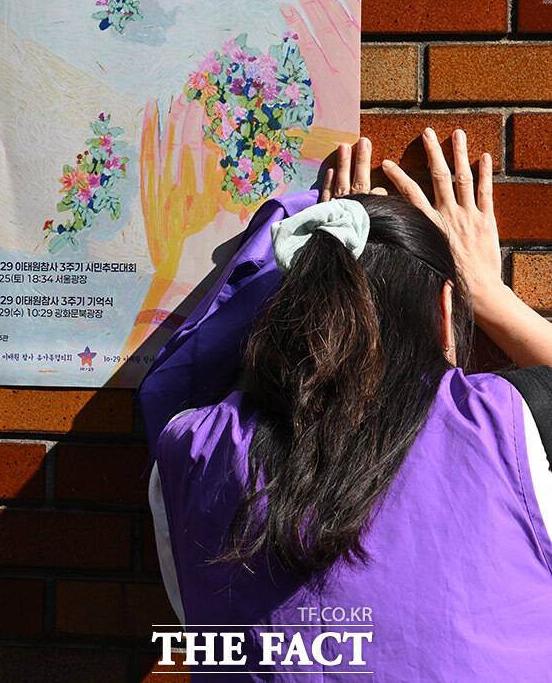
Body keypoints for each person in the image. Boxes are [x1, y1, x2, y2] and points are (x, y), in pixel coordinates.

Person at [143, 128, 552, 681]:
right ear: (445, 312)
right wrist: (491, 295)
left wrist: (327, 258)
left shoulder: (188, 448)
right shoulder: (509, 421)